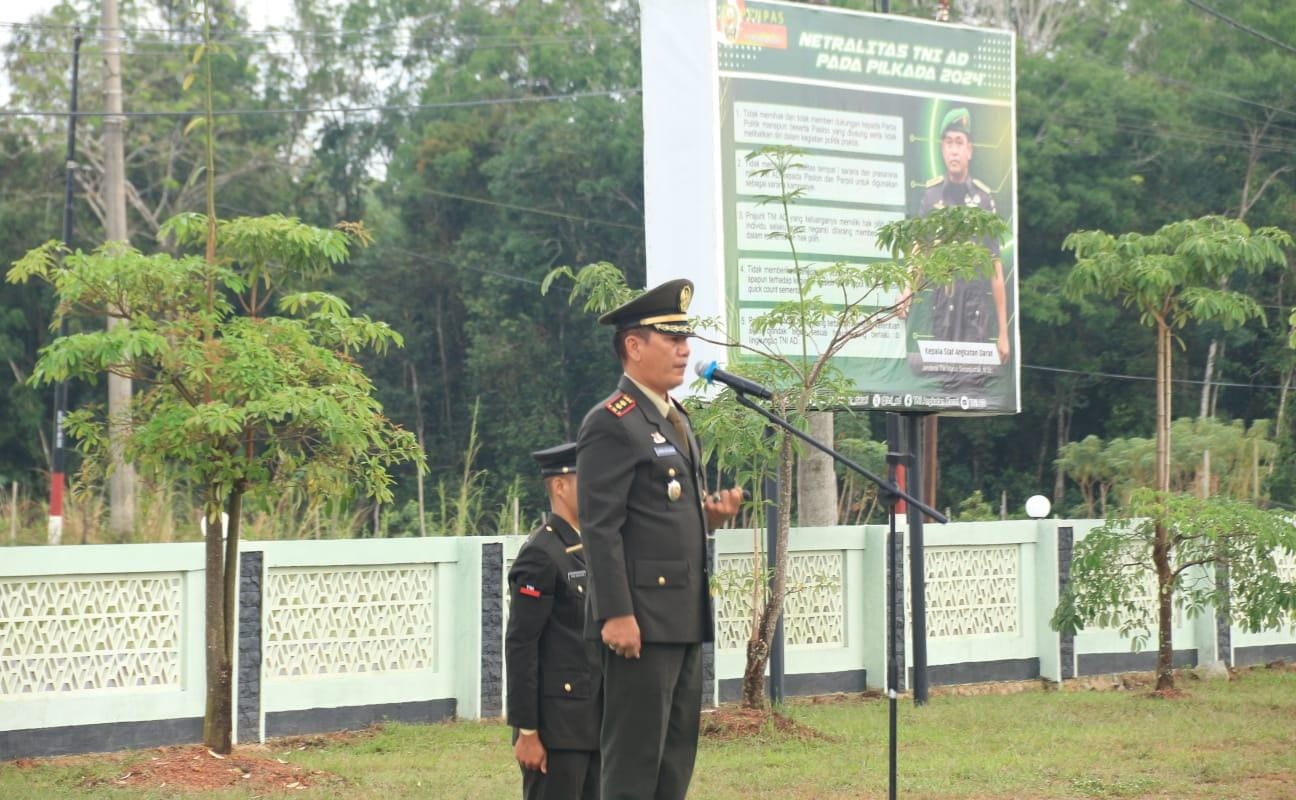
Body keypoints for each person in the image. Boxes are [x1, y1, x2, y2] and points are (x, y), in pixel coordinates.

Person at [577, 278, 743, 800]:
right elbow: (601, 528)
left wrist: (709, 519)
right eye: (670, 338)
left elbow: (657, 515)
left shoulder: (675, 419)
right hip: (640, 623)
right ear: (633, 346)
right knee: (633, 764)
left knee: (674, 763)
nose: (684, 349)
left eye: (685, 338)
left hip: (681, 616)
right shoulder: (612, 423)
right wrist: (615, 613)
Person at [506, 442, 603, 800]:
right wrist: (527, 730)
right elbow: (521, 644)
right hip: (556, 728)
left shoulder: (591, 546)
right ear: (560, 487)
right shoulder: (541, 554)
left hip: (596, 720)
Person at [912, 107, 1010, 365]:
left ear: (969, 150)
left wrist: (1003, 333)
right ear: (942, 150)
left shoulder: (984, 200)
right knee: (941, 382)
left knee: (973, 384)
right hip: (941, 304)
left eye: (959, 142)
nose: (954, 150)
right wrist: (906, 293)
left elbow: (995, 268)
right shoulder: (931, 197)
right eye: (948, 143)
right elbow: (921, 251)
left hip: (973, 308)